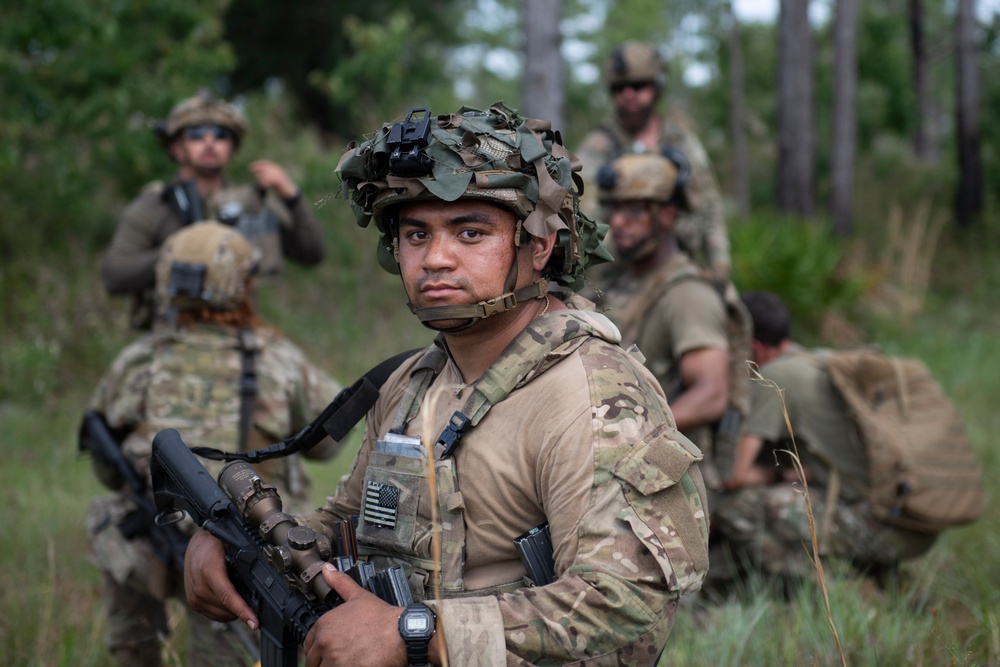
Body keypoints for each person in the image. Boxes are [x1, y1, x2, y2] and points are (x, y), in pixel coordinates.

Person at [184, 101, 710, 666]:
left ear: (538, 245)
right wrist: (237, 548)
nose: (435, 259)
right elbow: (346, 526)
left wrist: (415, 632)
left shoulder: (592, 394)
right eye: (416, 235)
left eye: (470, 232)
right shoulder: (413, 382)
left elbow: (624, 600)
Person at [84, 221, 342, 666]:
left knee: (115, 524)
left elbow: (108, 468)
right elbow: (323, 446)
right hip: (250, 550)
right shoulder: (277, 360)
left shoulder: (142, 359)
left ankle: (133, 647)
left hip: (152, 539)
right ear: (242, 284)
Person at [715, 290, 937, 582]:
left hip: (880, 524)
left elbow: (735, 475)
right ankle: (895, 587)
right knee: (820, 502)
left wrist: (780, 476)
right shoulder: (820, 359)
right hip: (917, 518)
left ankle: (833, 589)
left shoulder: (773, 378)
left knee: (738, 508)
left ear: (754, 347)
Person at [101, 91, 326, 329]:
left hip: (239, 336)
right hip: (172, 338)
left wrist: (291, 196)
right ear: (177, 148)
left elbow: (311, 253)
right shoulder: (155, 206)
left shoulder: (250, 205)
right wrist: (179, 249)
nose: (209, 143)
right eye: (196, 135)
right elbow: (115, 276)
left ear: (232, 146)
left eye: (220, 135)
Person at [590, 151, 744, 497]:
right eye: (615, 209)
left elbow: (711, 395)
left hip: (666, 481)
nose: (618, 221)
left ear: (668, 216)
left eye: (634, 210)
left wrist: (622, 439)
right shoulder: (618, 280)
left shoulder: (688, 294)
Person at [576, 41, 730, 284]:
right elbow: (584, 222)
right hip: (618, 276)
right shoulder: (599, 146)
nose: (628, 94)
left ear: (656, 86)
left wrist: (719, 269)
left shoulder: (681, 142)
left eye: (638, 85)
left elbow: (710, 210)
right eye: (619, 87)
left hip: (679, 265)